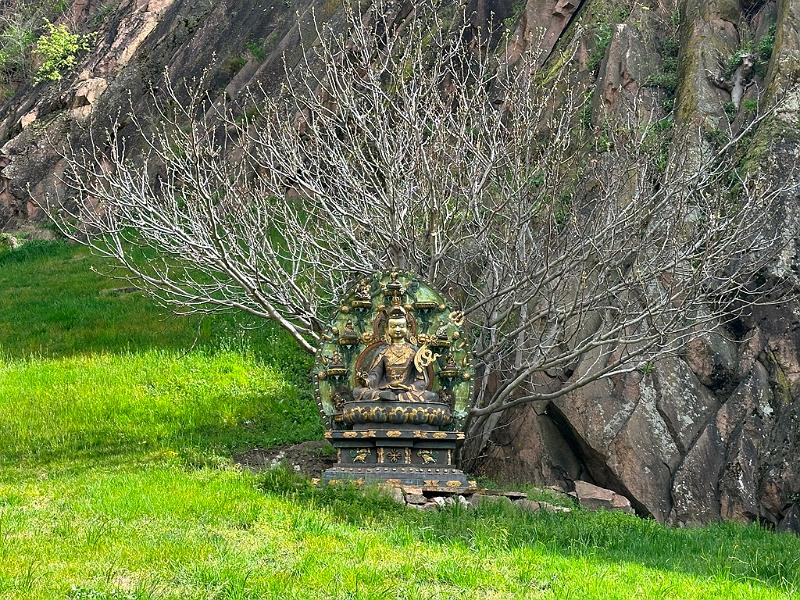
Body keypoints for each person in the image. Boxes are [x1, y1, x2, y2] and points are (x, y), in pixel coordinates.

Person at [352, 306, 439, 403]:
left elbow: (422, 380)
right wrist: (366, 381)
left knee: (432, 396)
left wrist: (409, 387)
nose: (397, 329)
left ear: (407, 328)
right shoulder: (383, 351)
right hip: (386, 389)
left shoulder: (414, 351)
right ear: (387, 329)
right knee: (357, 392)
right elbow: (375, 375)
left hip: (407, 392)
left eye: (401, 326)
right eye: (393, 326)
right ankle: (382, 396)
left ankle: (396, 398)